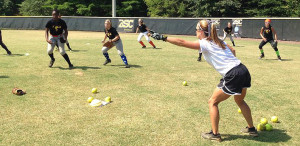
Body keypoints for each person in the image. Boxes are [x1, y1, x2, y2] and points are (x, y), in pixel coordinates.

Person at [151, 20, 258, 141]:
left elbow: (181, 42)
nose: (196, 32)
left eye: (197, 30)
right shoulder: (219, 41)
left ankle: (215, 134)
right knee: (240, 100)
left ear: (201, 32)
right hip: (242, 69)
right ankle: (251, 129)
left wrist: (163, 38)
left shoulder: (205, 43)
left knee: (212, 102)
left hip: (233, 74)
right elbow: (232, 50)